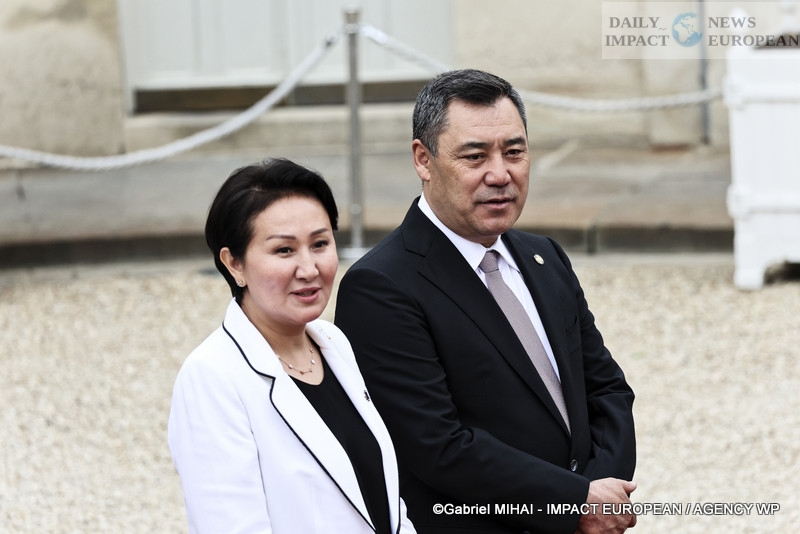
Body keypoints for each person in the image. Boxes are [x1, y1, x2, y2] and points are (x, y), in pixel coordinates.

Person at [334, 70, 637, 534]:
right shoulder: (381, 286)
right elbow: (438, 446)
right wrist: (573, 504)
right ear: (423, 159)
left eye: (514, 152)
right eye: (475, 156)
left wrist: (600, 493)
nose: (500, 174)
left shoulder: (543, 256)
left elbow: (606, 390)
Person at [168, 158, 416, 534]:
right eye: (284, 250)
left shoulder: (333, 342)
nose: (309, 268)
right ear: (234, 264)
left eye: (320, 244)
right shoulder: (212, 377)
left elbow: (386, 497)